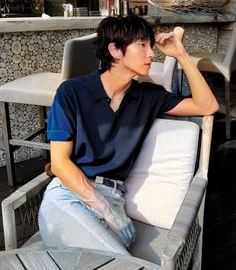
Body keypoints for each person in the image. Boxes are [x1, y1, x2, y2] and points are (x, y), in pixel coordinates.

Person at [38, 15, 218, 255]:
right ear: (115, 50)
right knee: (119, 263)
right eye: (142, 45)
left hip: (113, 198)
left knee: (102, 263)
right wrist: (105, 210)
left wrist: (181, 55)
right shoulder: (72, 92)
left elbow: (208, 106)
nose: (152, 54)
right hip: (69, 195)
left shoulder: (148, 97)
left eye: (150, 46)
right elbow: (60, 164)